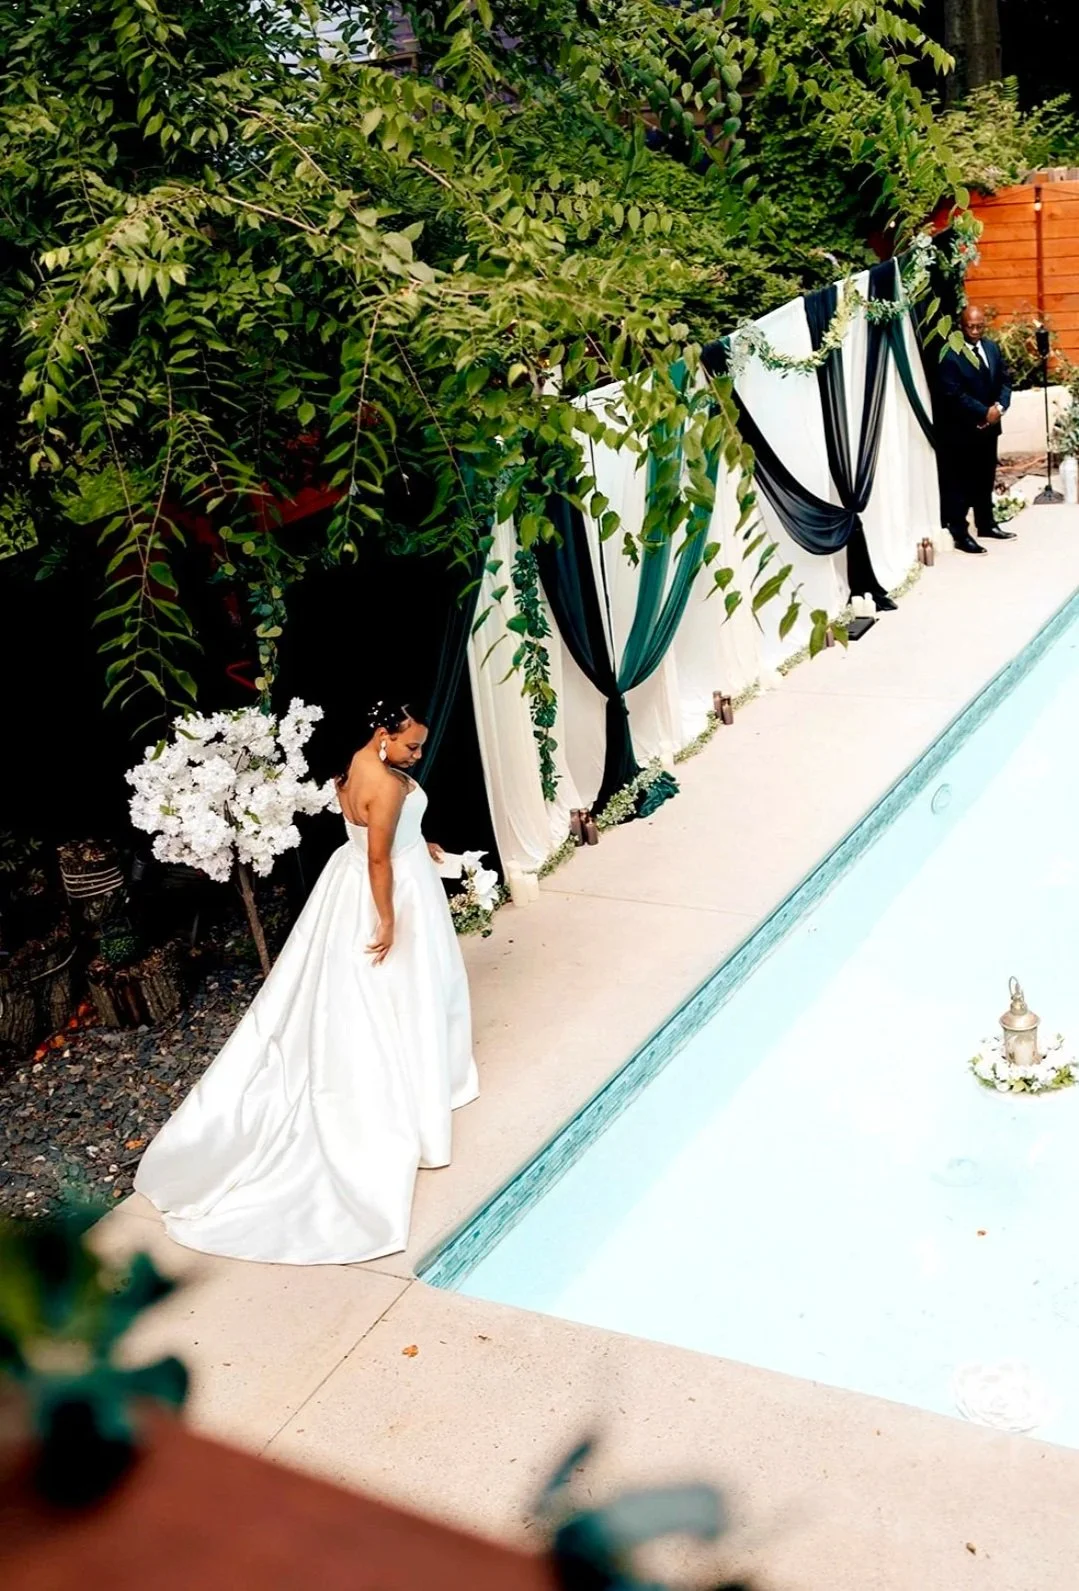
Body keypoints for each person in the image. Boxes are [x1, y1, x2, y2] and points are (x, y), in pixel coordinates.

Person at [135, 701, 478, 1265]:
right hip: (389, 889)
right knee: (406, 991)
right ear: (383, 733)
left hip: (352, 880)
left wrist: (426, 845)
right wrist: (388, 918)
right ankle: (415, 1086)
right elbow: (378, 860)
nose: (417, 756)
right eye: (411, 745)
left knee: (384, 991)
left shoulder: (358, 765)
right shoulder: (388, 787)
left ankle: (424, 1070)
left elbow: (384, 837)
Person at [936, 305, 1014, 555]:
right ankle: (960, 532)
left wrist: (999, 409)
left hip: (990, 427)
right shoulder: (951, 355)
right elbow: (953, 394)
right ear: (961, 325)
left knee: (985, 478)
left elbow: (1004, 380)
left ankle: (986, 524)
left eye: (980, 326)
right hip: (963, 430)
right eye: (971, 326)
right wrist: (983, 412)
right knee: (960, 483)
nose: (976, 331)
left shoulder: (991, 347)